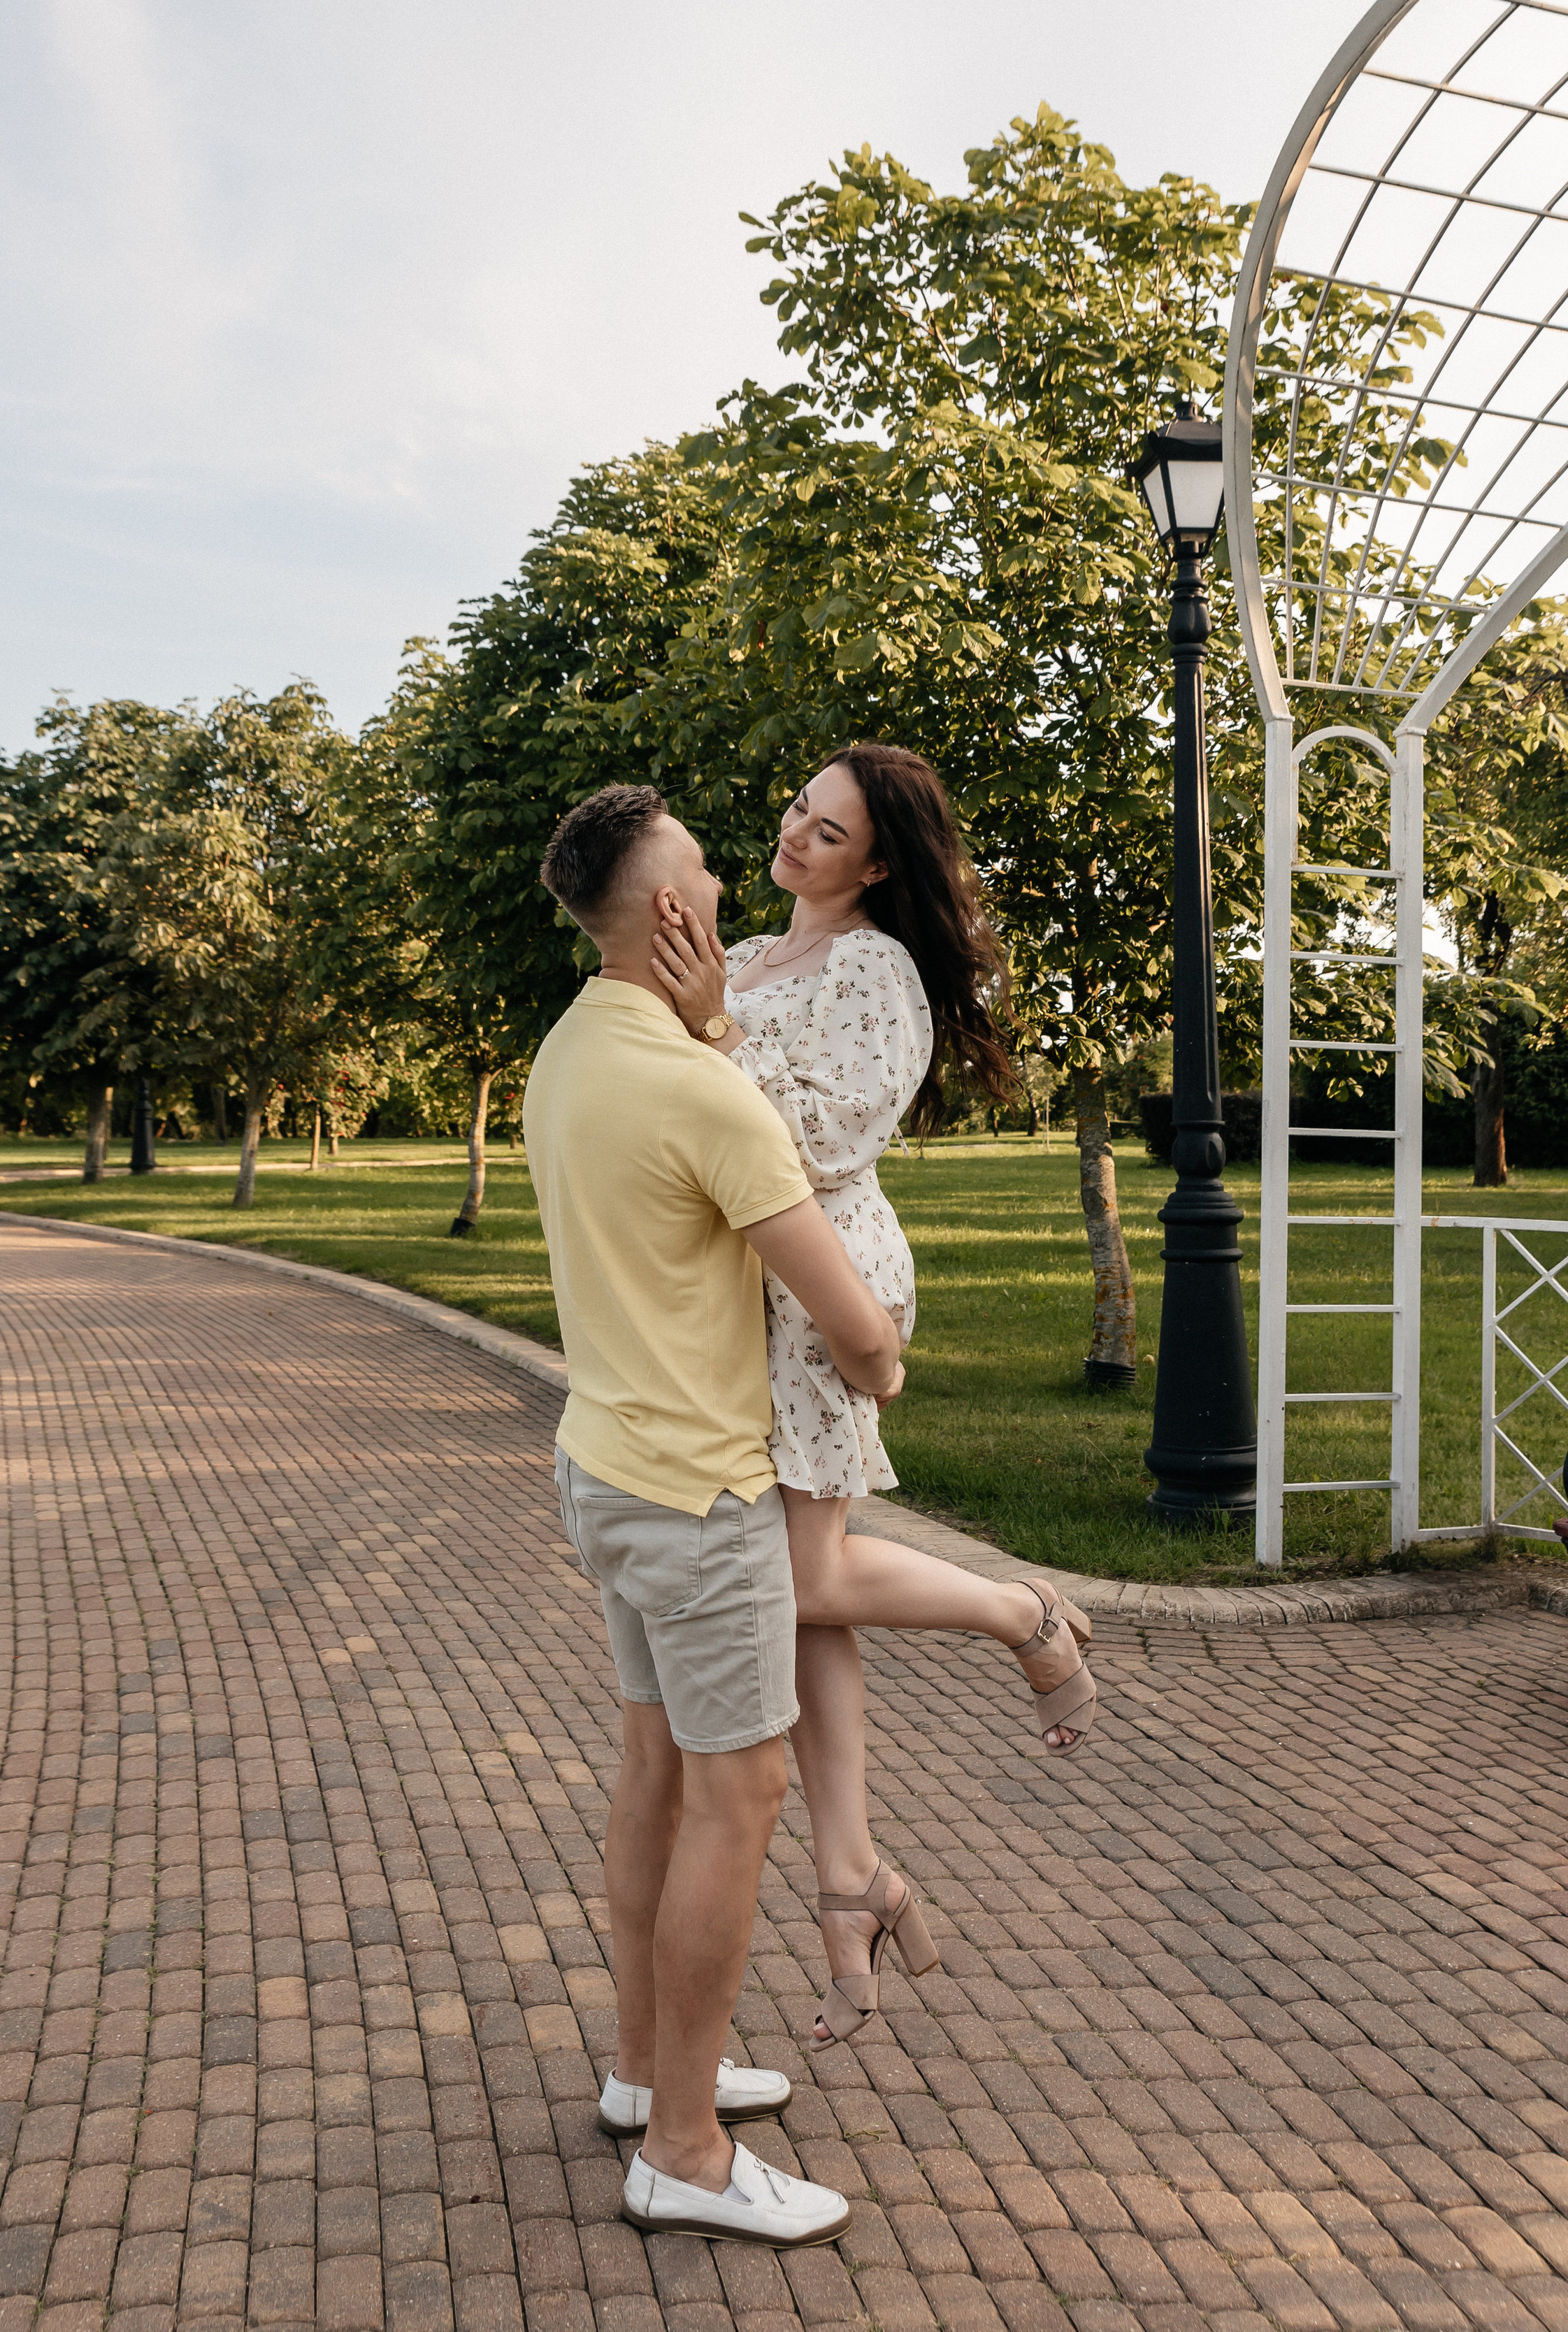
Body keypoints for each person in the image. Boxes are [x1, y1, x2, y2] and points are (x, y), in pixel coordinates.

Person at [651, 743, 1098, 2051]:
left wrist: (715, 1033)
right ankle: (852, 1883)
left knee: (799, 1582)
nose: (796, 835)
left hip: (828, 1281)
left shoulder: (873, 971)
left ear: (879, 863)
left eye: (830, 830)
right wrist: (703, 1010)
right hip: (744, 1296)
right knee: (807, 1590)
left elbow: (829, 1138)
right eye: (795, 807)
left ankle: (1025, 1615)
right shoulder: (735, 967)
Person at [523, 782, 908, 2247]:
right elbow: (855, 1333)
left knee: (651, 1770)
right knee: (736, 1797)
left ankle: (643, 2075)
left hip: (601, 1469)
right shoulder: (703, 1091)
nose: (723, 885)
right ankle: (682, 2150)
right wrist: (883, 1352)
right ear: (670, 912)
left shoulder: (571, 1049)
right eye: (699, 868)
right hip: (696, 1497)